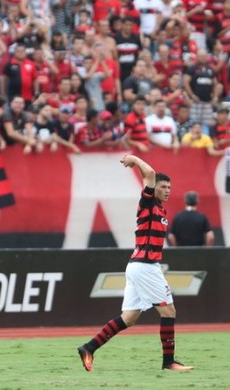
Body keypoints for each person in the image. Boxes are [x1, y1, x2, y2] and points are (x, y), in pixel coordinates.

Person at [77, 155, 193, 373]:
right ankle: (169, 362)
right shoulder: (148, 203)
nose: (168, 190)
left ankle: (88, 348)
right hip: (145, 267)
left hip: (138, 266)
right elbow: (149, 174)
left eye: (170, 187)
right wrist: (133, 159)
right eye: (163, 186)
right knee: (169, 311)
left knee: (129, 318)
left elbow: (150, 177)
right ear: (154, 188)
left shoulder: (160, 209)